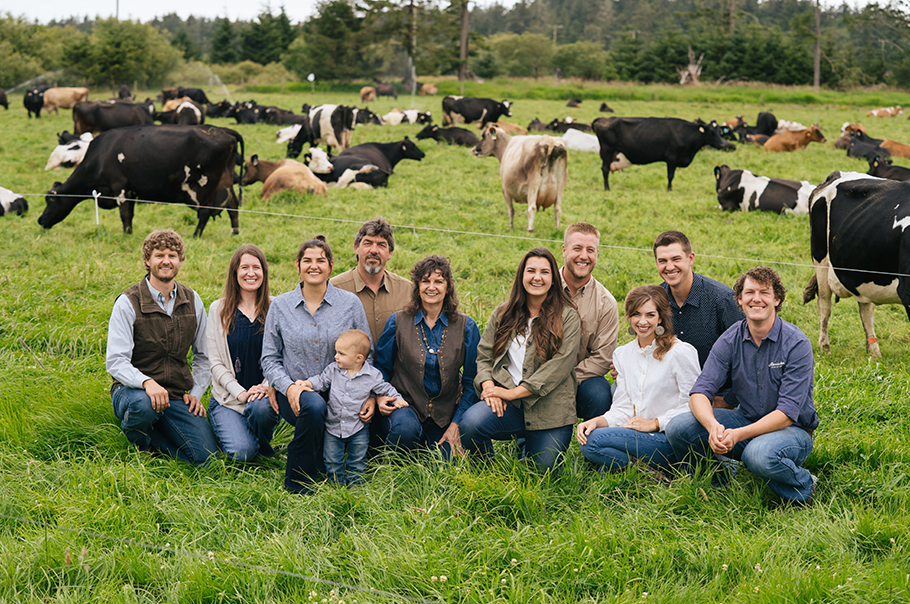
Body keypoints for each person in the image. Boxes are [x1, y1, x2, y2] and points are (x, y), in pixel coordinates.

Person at [665, 266, 819, 505]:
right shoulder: (730, 338)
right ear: (739, 299)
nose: (756, 299)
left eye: (764, 293)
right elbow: (700, 392)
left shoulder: (796, 343)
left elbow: (787, 414)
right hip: (745, 418)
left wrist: (738, 435)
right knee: (678, 427)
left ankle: (803, 485)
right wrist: (713, 426)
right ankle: (719, 481)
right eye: (749, 292)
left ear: (777, 300)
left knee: (757, 455)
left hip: (792, 430)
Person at [261, 236, 372, 494]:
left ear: (330, 266)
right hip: (294, 394)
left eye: (320, 260)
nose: (314, 266)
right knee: (313, 405)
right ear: (297, 265)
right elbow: (269, 358)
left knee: (321, 407)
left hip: (341, 393)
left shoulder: (350, 304)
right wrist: (288, 387)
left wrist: (368, 394)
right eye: (307, 260)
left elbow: (367, 354)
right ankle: (298, 481)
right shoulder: (280, 306)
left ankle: (323, 461)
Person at [459, 248, 581, 471]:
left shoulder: (568, 316)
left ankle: (533, 446)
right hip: (509, 405)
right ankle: (486, 470)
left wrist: (512, 393)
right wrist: (489, 388)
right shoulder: (503, 312)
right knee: (471, 424)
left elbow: (559, 366)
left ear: (554, 279)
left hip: (549, 410)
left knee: (542, 472)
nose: (537, 277)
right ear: (521, 275)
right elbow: (484, 355)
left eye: (544, 272)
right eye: (531, 271)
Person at [105, 229, 219, 465]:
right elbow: (116, 361)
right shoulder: (128, 302)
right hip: (133, 391)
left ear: (180, 260)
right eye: (159, 255)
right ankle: (139, 442)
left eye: (172, 255)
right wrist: (147, 383)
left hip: (176, 395)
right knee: (143, 406)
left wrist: (195, 393)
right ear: (148, 260)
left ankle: (155, 434)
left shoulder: (192, 300)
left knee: (206, 459)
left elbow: (204, 356)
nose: (166, 261)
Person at [576, 286, 700, 473]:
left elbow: (694, 406)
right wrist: (597, 421)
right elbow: (624, 407)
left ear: (660, 318)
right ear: (629, 317)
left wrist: (655, 423)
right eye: (636, 314)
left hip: (669, 439)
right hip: (637, 435)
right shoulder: (623, 354)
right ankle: (646, 472)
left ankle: (633, 468)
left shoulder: (680, 352)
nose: (642, 321)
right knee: (590, 437)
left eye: (650, 315)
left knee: (594, 443)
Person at [374, 255, 481, 457]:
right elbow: (382, 368)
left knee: (446, 465)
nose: (431, 287)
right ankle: (396, 461)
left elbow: (472, 381)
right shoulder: (397, 322)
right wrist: (380, 395)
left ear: (448, 287)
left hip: (445, 414)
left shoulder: (467, 327)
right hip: (404, 406)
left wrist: (456, 423)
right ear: (417, 287)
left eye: (438, 281)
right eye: (425, 281)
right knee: (405, 431)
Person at [206, 244, 280, 462]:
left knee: (261, 410)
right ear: (235, 272)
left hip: (263, 397)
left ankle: (261, 442)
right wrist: (241, 393)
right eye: (244, 267)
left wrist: (265, 387)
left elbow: (281, 357)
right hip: (228, 399)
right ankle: (238, 433)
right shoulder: (218, 309)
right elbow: (216, 363)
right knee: (242, 453)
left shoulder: (276, 307)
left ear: (264, 272)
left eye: (256, 267)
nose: (251, 273)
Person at [299, 329, 402, 485]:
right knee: (332, 459)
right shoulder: (333, 370)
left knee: (358, 459)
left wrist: (398, 399)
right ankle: (336, 484)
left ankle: (356, 485)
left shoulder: (372, 375)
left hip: (358, 427)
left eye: (341, 353)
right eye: (336, 352)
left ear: (358, 358)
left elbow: (385, 389)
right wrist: (308, 383)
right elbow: (321, 381)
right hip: (333, 426)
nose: (336, 356)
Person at [653, 230, 744, 408]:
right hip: (671, 387)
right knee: (617, 388)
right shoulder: (655, 300)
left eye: (676, 259)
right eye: (662, 261)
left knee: (682, 423)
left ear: (691, 258)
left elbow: (747, 354)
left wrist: (729, 400)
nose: (669, 267)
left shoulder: (722, 300)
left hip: (718, 391)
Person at [559, 222, 619, 420]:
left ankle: (590, 436)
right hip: (535, 379)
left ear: (597, 253)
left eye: (590, 250)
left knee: (600, 394)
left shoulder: (606, 302)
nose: (584, 256)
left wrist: (562, 380)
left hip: (580, 378)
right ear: (564, 250)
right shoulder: (542, 288)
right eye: (577, 248)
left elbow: (603, 358)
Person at [331, 217, 412, 348]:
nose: (374, 250)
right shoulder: (334, 289)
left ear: (390, 253)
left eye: (381, 245)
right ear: (356, 248)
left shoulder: (407, 290)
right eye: (368, 243)